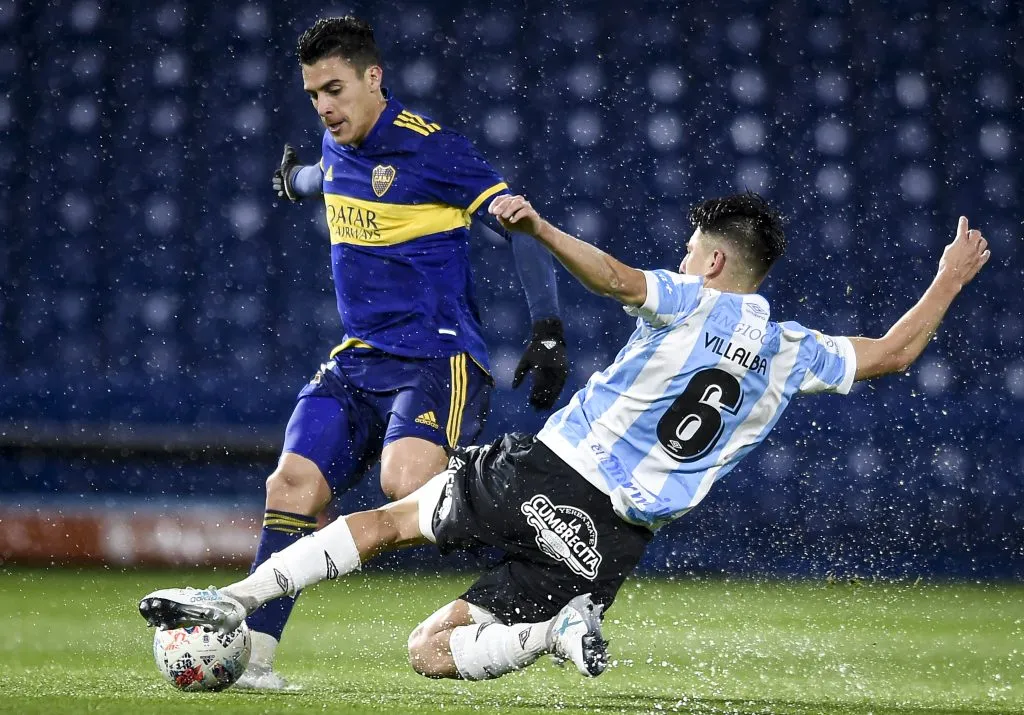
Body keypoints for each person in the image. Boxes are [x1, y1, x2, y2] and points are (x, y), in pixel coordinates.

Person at [141, 192, 990, 683]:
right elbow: (895, 352)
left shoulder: (695, 298)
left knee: (391, 520)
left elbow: (619, 278)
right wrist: (948, 278)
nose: (681, 256)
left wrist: (540, 230)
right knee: (430, 651)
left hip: (550, 471)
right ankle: (549, 633)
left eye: (689, 248)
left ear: (714, 263)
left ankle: (238, 602)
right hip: (613, 542)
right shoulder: (796, 349)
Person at [244, 17, 569, 689]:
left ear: (373, 78)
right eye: (312, 95)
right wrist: (293, 180)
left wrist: (547, 329)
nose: (324, 106)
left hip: (437, 356)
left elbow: (520, 222)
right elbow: (323, 177)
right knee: (290, 486)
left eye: (334, 88)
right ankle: (251, 661)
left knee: (404, 485)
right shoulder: (336, 144)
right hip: (360, 358)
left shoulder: (434, 151)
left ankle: (536, 543)